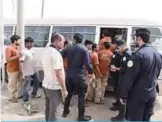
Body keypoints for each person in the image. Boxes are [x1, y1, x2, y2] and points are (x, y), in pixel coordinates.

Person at [120, 28, 162, 121]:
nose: (134, 40)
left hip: (138, 96)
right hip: (151, 93)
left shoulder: (138, 55)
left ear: (139, 38)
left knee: (135, 118)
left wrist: (123, 94)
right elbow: (157, 73)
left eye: (135, 38)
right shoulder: (157, 54)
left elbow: (129, 78)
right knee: (147, 118)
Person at [62, 34, 93, 121]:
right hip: (79, 76)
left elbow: (60, 56)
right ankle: (81, 116)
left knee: (68, 94)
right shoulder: (84, 49)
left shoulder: (68, 48)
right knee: (81, 96)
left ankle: (65, 111)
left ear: (74, 40)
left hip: (69, 75)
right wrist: (91, 72)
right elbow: (87, 64)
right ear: (82, 40)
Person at [42, 33, 68, 121]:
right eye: (62, 42)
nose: (63, 44)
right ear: (57, 42)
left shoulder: (46, 51)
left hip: (46, 84)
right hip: (54, 87)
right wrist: (64, 89)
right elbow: (59, 74)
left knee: (49, 108)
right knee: (56, 111)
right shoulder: (56, 54)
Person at [110, 40, 132, 121]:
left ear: (123, 46)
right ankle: (122, 114)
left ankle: (121, 116)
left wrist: (116, 68)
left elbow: (126, 69)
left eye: (119, 48)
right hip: (123, 78)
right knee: (121, 97)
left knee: (122, 98)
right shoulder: (126, 53)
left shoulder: (127, 54)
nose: (118, 50)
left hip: (124, 80)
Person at [5, 35, 23, 102]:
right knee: (12, 84)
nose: (20, 42)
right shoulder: (9, 48)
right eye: (19, 40)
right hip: (12, 69)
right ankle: (12, 97)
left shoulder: (16, 48)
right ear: (15, 41)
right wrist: (17, 56)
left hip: (18, 68)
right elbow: (8, 59)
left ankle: (19, 95)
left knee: (21, 82)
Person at [20, 37, 36, 109]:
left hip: (33, 70)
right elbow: (21, 63)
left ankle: (33, 94)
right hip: (27, 72)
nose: (32, 44)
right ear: (26, 43)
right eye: (30, 43)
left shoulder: (31, 50)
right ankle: (25, 100)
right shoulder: (24, 52)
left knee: (37, 81)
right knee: (26, 86)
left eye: (32, 43)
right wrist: (22, 73)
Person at [109, 40, 123, 110]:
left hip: (118, 75)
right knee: (115, 89)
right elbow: (112, 61)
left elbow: (122, 65)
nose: (112, 45)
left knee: (118, 90)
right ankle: (117, 102)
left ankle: (118, 105)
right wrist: (110, 67)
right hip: (113, 74)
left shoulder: (121, 54)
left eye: (113, 44)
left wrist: (116, 68)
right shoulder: (114, 52)